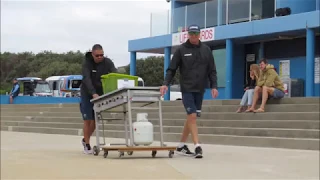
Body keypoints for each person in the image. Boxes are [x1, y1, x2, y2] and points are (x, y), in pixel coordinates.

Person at [160, 25, 218, 159]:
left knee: (191, 117)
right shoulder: (181, 50)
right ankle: (197, 146)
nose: (193, 36)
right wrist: (165, 84)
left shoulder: (206, 50)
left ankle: (181, 145)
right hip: (187, 88)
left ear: (200, 35)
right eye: (191, 33)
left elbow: (212, 70)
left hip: (200, 89)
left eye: (196, 33)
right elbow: (171, 69)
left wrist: (214, 86)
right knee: (191, 116)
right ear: (188, 34)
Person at [80, 44, 117, 154]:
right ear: (92, 54)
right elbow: (87, 79)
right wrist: (93, 93)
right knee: (88, 119)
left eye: (102, 55)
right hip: (87, 93)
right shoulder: (87, 64)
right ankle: (87, 145)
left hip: (100, 92)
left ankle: (84, 138)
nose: (100, 57)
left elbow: (114, 74)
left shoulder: (108, 62)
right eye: (97, 55)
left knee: (96, 120)